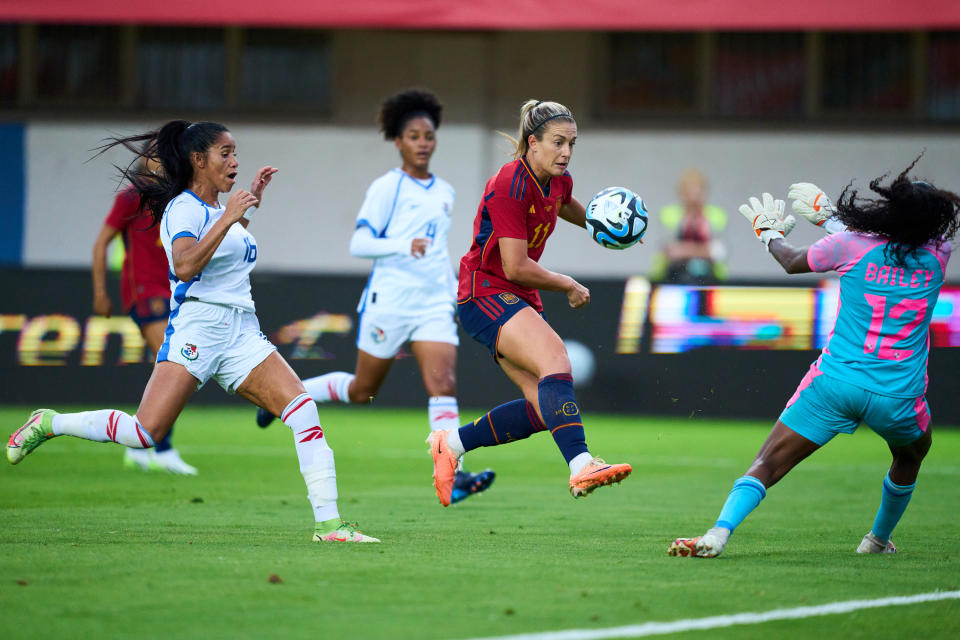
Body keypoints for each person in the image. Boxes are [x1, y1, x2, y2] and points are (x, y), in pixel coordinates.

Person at [7, 120, 378, 543]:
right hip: (198, 329)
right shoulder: (182, 208)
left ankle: (329, 526)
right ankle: (50, 423)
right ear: (197, 160)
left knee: (302, 410)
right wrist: (231, 218)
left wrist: (250, 205)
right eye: (226, 152)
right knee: (144, 433)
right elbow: (184, 265)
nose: (235, 161)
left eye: (236, 152)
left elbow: (228, 249)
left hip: (241, 331)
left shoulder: (220, 211)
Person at [668, 157, 959, 558]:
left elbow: (792, 260)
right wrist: (831, 218)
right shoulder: (937, 255)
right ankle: (876, 539)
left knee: (768, 464)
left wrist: (769, 233)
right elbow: (887, 243)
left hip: (835, 383)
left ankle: (719, 531)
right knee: (912, 454)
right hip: (897, 393)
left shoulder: (851, 244)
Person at [255, 89, 495, 505]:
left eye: (429, 136)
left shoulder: (446, 192)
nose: (423, 142)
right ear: (398, 141)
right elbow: (359, 243)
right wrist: (404, 245)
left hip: (433, 301)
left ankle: (452, 473)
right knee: (363, 389)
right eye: (414, 135)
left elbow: (435, 247)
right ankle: (290, 397)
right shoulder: (388, 187)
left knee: (444, 383)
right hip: (391, 301)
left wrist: (453, 283)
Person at [427, 99, 633, 507]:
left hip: (513, 294)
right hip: (484, 291)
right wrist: (568, 284)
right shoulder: (509, 185)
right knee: (556, 358)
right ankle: (581, 466)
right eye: (558, 143)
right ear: (532, 142)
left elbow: (565, 204)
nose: (566, 153)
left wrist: (604, 223)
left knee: (545, 410)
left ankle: (450, 444)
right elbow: (516, 266)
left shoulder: (557, 179)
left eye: (572, 144)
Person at [92, 142, 197, 474]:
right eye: (155, 154)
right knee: (173, 364)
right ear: (143, 158)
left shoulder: (174, 196)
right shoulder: (132, 195)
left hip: (171, 291)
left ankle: (139, 446)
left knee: (168, 365)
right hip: (143, 291)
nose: (161, 161)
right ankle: (161, 449)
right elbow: (102, 242)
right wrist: (100, 291)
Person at [651, 168, 728, 284]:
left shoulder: (717, 216)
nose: (693, 198)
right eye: (688, 193)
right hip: (670, 278)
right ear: (680, 194)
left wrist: (685, 249)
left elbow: (719, 252)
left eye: (698, 192)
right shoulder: (668, 214)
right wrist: (702, 249)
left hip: (711, 278)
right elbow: (669, 250)